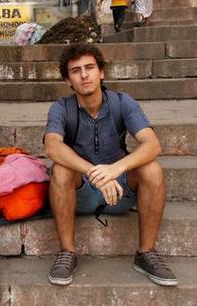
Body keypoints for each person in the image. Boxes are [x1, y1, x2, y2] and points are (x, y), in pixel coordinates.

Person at [43, 43, 177, 287]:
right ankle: (67, 252)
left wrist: (116, 169)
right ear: (67, 80)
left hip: (120, 191)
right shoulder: (62, 108)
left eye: (89, 67)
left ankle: (146, 253)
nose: (84, 75)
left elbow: (152, 145)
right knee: (61, 169)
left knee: (152, 168)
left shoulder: (122, 102)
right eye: (75, 71)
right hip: (80, 192)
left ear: (101, 72)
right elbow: (52, 146)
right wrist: (94, 173)